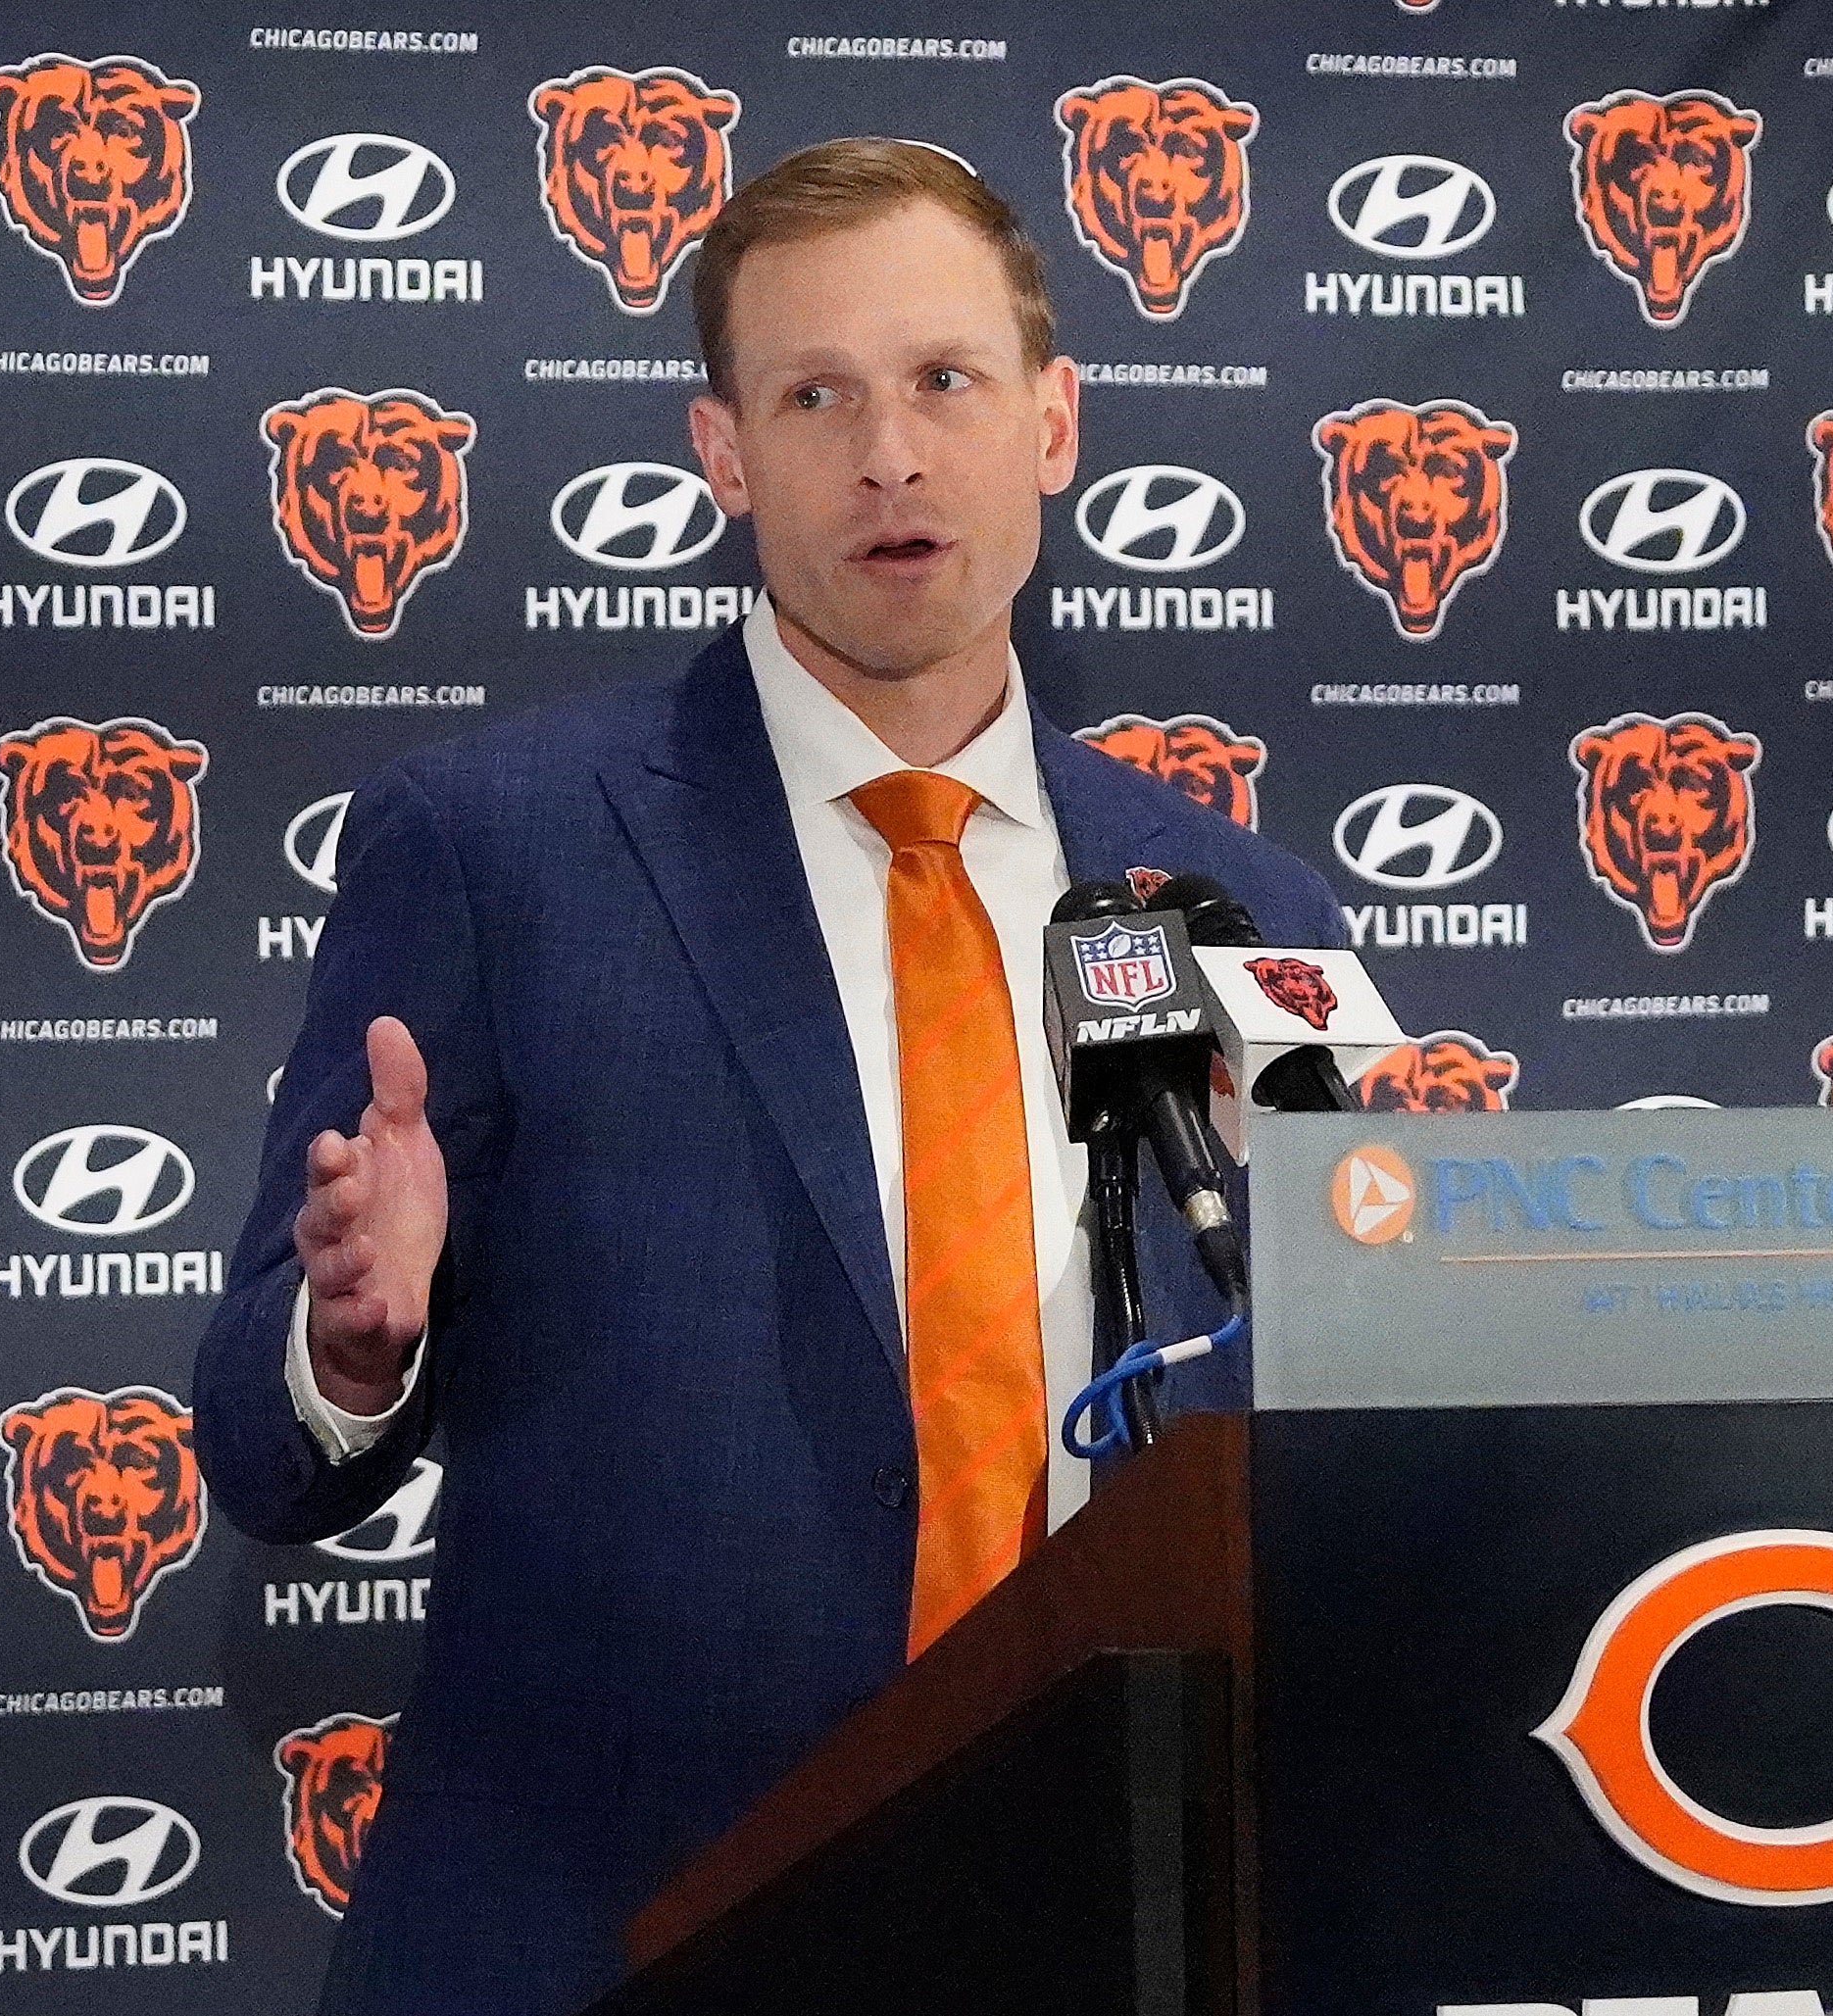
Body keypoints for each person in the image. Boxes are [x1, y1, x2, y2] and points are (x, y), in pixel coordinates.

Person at [194, 139, 1341, 2015]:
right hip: (614, 1929)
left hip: (1118, 1915)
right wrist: (352, 1344)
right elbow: (257, 1444)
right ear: (723, 453)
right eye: (816, 394)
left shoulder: (1242, 904)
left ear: (1053, 422)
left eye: (944, 381)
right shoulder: (495, 850)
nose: (888, 451)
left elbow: (1342, 1380)